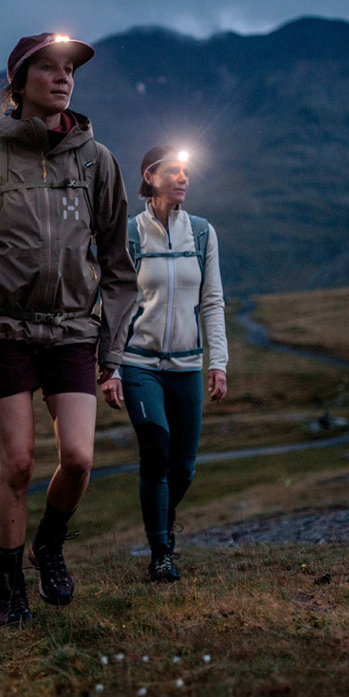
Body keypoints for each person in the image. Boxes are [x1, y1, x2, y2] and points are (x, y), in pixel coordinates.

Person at [0, 32, 135, 626]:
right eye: (47, 68)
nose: (62, 76)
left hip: (74, 330)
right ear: (18, 84)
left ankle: (48, 544)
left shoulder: (97, 161)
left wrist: (113, 344)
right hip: (6, 331)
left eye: (69, 68)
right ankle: (10, 588)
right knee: (18, 464)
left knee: (76, 458)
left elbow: (119, 263)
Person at [101, 145, 228, 583]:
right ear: (149, 177)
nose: (182, 178)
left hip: (188, 367)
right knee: (156, 453)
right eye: (172, 170)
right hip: (139, 365)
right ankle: (161, 553)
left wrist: (219, 363)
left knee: (184, 467)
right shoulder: (131, 234)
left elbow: (212, 301)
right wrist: (112, 368)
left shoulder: (203, 233)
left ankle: (162, 522)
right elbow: (113, 305)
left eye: (186, 171)